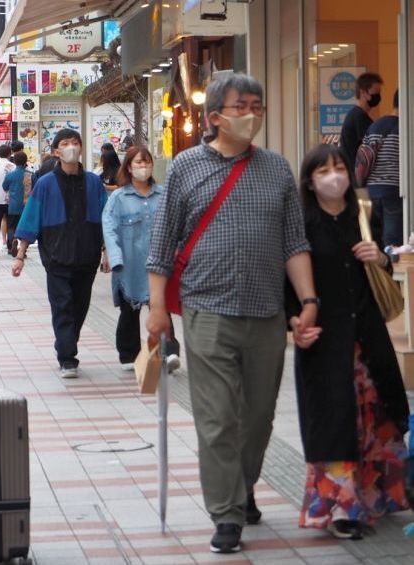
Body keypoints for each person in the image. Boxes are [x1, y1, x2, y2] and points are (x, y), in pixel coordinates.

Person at [145, 73, 318, 554]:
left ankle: (241, 488)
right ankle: (226, 513)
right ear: (215, 116)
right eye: (242, 106)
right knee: (218, 419)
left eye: (258, 106)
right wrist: (157, 310)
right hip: (207, 311)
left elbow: (294, 243)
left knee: (258, 417)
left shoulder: (278, 169)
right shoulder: (184, 168)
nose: (252, 115)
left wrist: (307, 301)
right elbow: (160, 248)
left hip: (266, 313)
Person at [289, 144, 409, 540]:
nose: (334, 176)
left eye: (339, 167)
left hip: (367, 338)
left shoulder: (363, 215)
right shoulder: (301, 223)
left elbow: (382, 273)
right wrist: (295, 324)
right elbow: (288, 279)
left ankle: (378, 495)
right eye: (323, 170)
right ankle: (340, 508)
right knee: (334, 422)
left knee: (375, 416)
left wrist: (381, 258)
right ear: (310, 179)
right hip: (325, 341)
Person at [12, 128, 108, 378]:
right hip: (56, 256)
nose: (71, 147)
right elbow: (31, 217)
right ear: (56, 152)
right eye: (65, 143)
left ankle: (66, 343)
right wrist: (21, 255)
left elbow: (106, 219)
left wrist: (108, 251)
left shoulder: (93, 182)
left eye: (76, 143)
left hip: (88, 256)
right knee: (62, 306)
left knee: (80, 307)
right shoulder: (45, 184)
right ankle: (67, 356)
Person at [102, 146, 180, 371]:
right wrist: (114, 257)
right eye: (138, 163)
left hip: (160, 264)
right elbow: (109, 228)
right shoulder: (118, 198)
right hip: (130, 264)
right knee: (130, 310)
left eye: (147, 163)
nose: (143, 167)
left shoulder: (163, 194)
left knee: (161, 308)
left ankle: (169, 352)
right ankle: (129, 355)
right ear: (128, 166)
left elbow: (175, 226)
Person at [359, 89, 402, 246]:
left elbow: (363, 158)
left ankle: (377, 270)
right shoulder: (405, 129)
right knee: (392, 242)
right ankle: (391, 269)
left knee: (373, 241)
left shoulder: (375, 126)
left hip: (371, 192)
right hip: (394, 192)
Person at [339, 72, 383, 172]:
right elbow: (371, 147)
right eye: (375, 91)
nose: (378, 96)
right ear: (363, 92)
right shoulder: (359, 117)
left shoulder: (355, 114)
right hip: (357, 177)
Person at [2, 151, 32, 257]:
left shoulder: (10, 175)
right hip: (27, 206)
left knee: (11, 227)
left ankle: (13, 241)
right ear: (25, 161)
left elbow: (4, 187)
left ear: (14, 161)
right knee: (26, 228)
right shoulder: (30, 175)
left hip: (13, 206)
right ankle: (23, 250)